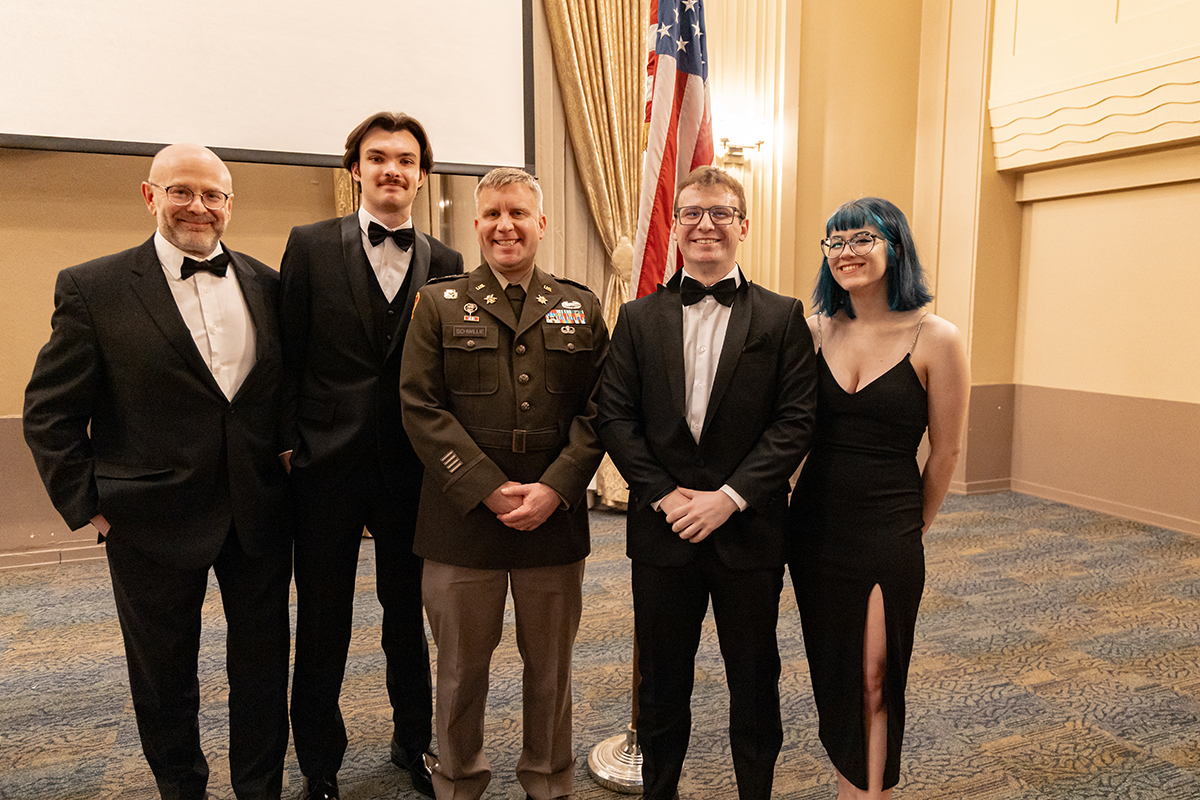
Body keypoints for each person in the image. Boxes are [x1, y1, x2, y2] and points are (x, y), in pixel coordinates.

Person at [23, 143, 292, 800]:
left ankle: (260, 788)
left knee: (261, 671)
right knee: (165, 677)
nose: (198, 206)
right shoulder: (93, 287)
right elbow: (50, 412)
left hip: (258, 514)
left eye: (213, 195)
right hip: (149, 521)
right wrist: (90, 505)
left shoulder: (268, 284)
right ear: (150, 196)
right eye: (182, 191)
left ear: (230, 204)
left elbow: (279, 393)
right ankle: (182, 789)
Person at [596, 166, 818, 800]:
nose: (705, 224)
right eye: (691, 213)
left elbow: (795, 421)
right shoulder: (638, 317)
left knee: (754, 679)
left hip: (749, 532)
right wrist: (665, 495)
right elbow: (614, 414)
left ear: (743, 227)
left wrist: (728, 498)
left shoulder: (781, 317)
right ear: (676, 229)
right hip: (663, 532)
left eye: (721, 213)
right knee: (661, 685)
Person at [398, 167, 608, 800]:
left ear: (541, 224)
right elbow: (420, 407)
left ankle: (548, 782)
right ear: (476, 224)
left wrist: (557, 487)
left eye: (517, 213)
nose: (504, 226)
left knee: (551, 671)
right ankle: (459, 782)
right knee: (460, 671)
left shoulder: (580, 304)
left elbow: (601, 409)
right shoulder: (437, 303)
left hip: (554, 519)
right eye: (491, 214)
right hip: (461, 521)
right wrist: (486, 486)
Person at [279, 112, 463, 800]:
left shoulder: (445, 261)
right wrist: (291, 443)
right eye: (378, 157)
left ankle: (412, 742)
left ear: (421, 173)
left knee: (407, 618)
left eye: (406, 159)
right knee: (322, 618)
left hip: (412, 470)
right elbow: (286, 351)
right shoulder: (309, 243)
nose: (393, 169)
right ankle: (319, 762)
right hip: (324, 465)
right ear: (354, 169)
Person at [788, 197, 969, 799]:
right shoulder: (813, 330)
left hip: (888, 529)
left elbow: (944, 454)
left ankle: (868, 794)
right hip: (814, 529)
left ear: (895, 247)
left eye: (862, 238)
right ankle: (850, 782)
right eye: (835, 242)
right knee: (834, 674)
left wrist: (915, 525)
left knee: (875, 675)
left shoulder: (936, 338)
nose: (847, 252)